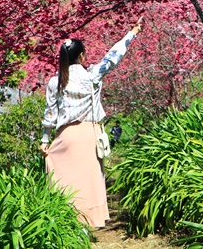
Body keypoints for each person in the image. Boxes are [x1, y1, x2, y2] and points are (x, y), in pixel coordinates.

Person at [40, 21, 142, 228]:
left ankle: (66, 225)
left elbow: (50, 113)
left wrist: (44, 140)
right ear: (82, 56)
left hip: (65, 136)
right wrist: (132, 33)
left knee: (64, 181)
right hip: (88, 135)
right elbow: (113, 56)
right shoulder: (92, 76)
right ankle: (88, 224)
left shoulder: (55, 81)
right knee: (88, 182)